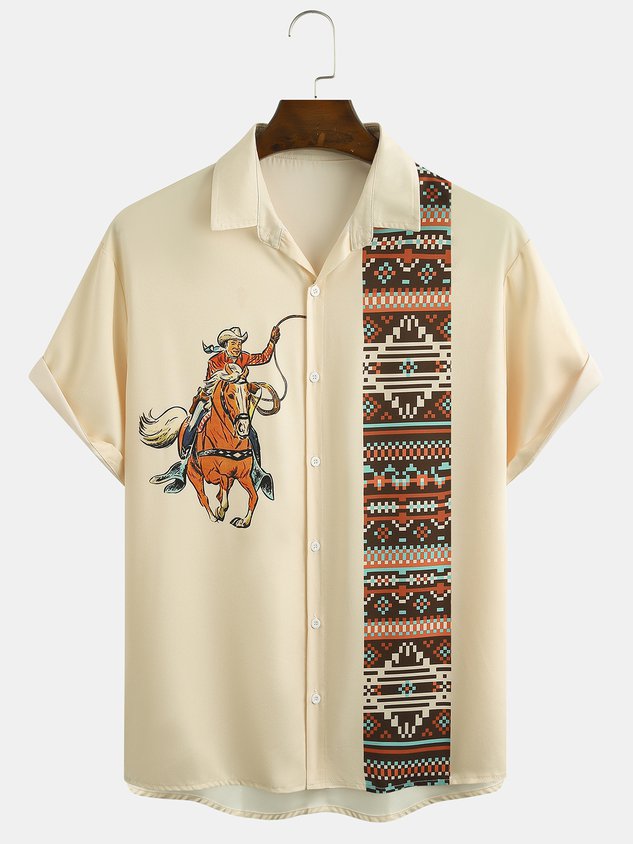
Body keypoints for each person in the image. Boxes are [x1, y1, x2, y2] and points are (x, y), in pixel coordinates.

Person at [151, 325, 280, 493]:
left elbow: (263, 358)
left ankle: (256, 469)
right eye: (233, 343)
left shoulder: (244, 357)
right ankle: (184, 463)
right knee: (193, 423)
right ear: (226, 345)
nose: (237, 347)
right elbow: (212, 386)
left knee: (251, 432)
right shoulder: (215, 361)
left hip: (236, 402)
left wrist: (272, 341)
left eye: (239, 343)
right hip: (212, 399)